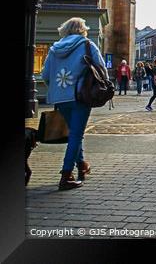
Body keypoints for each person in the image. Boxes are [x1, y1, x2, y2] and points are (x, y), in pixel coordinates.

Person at [41, 17, 107, 190]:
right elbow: (101, 69)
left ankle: (82, 165)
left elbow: (45, 74)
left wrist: (56, 89)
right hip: (80, 96)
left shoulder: (54, 49)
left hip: (59, 98)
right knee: (76, 135)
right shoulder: (87, 45)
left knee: (74, 133)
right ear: (82, 29)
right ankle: (66, 175)